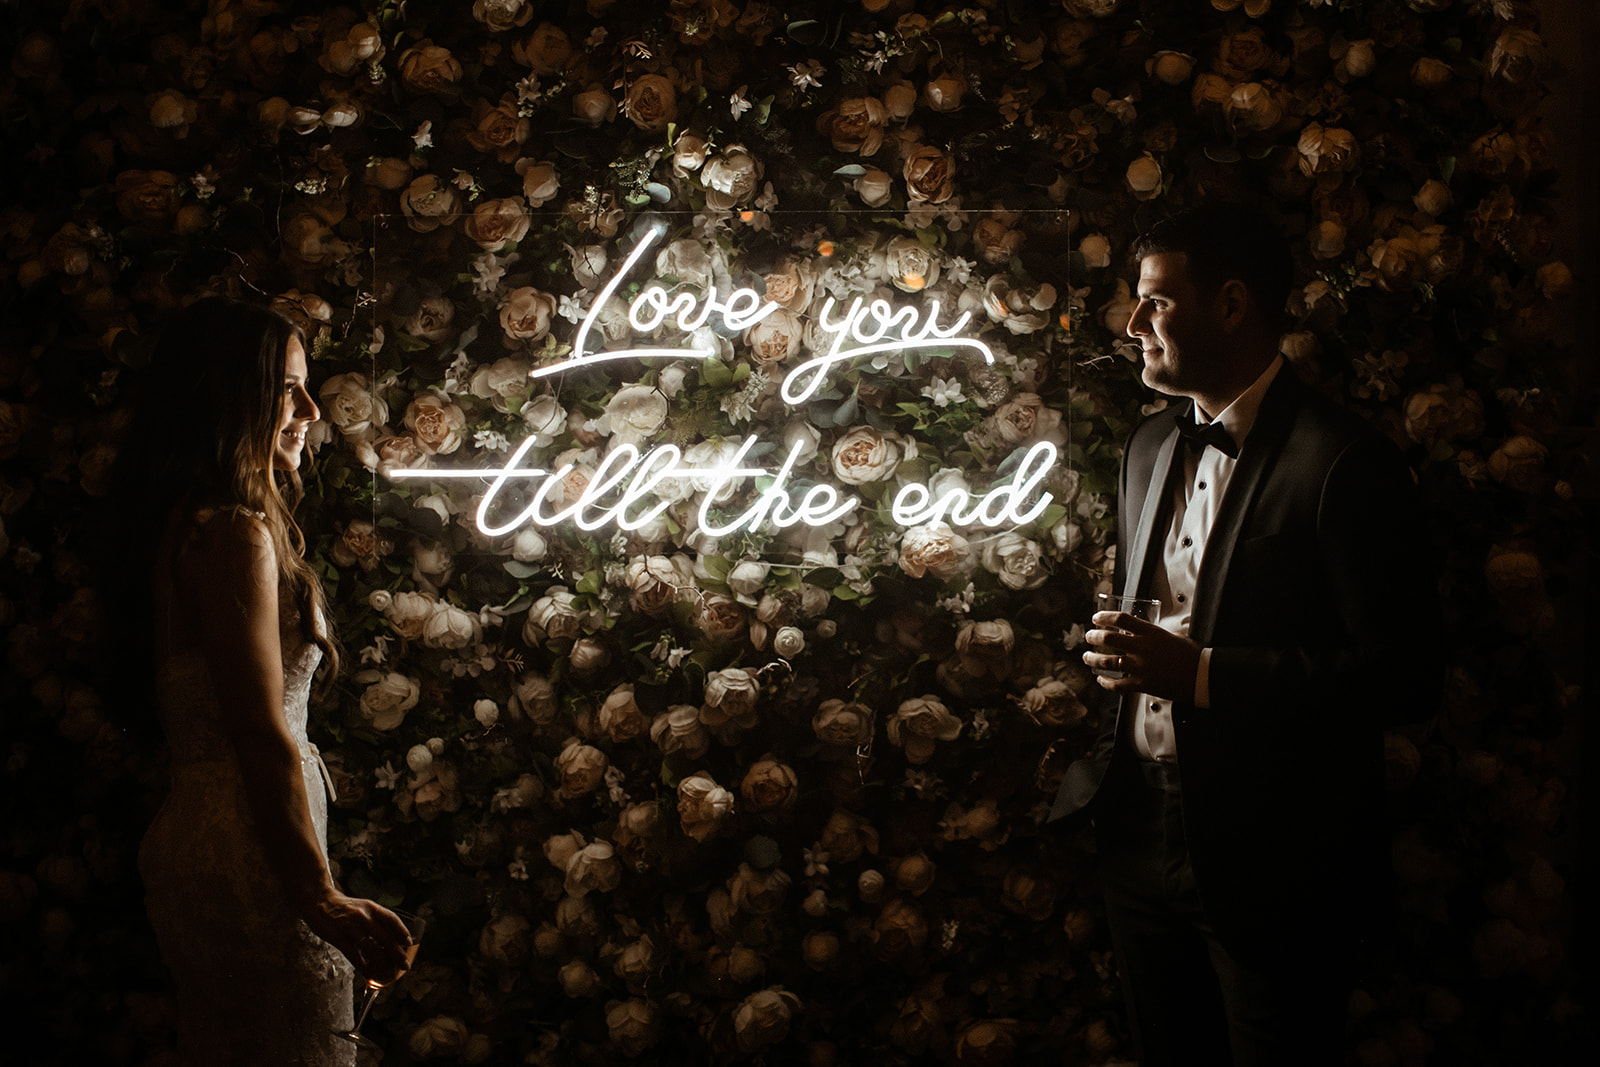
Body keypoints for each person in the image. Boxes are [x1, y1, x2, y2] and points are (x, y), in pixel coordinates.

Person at [1049, 204, 1440, 1066]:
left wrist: (1203, 674)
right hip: (1139, 831)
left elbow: (1402, 677)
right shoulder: (1149, 446)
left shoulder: (1343, 461)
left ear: (1231, 305)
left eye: (1156, 302)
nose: (1134, 324)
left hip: (1275, 858)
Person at [113, 297, 414, 1065]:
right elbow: (257, 725)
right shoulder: (233, 530)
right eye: (288, 387)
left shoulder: (187, 525)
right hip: (252, 851)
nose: (312, 410)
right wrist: (318, 894)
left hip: (218, 833)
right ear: (227, 394)